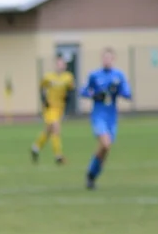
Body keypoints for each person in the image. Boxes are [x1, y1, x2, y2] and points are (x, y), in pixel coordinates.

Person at [81, 48, 132, 190]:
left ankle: (91, 175)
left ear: (113, 59)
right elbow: (83, 91)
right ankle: (91, 174)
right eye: (104, 58)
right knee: (106, 144)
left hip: (111, 118)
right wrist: (95, 95)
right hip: (98, 116)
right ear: (101, 59)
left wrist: (119, 89)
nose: (106, 60)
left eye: (109, 58)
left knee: (105, 150)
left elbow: (128, 94)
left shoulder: (118, 75)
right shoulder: (95, 75)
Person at [31, 54, 75, 165]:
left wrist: (68, 98)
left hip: (60, 108)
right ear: (55, 65)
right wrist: (43, 99)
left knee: (49, 130)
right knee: (56, 127)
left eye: (62, 64)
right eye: (58, 63)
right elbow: (41, 87)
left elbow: (71, 89)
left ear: (65, 66)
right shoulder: (48, 77)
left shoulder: (68, 77)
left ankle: (35, 148)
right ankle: (58, 156)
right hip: (50, 108)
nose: (60, 66)